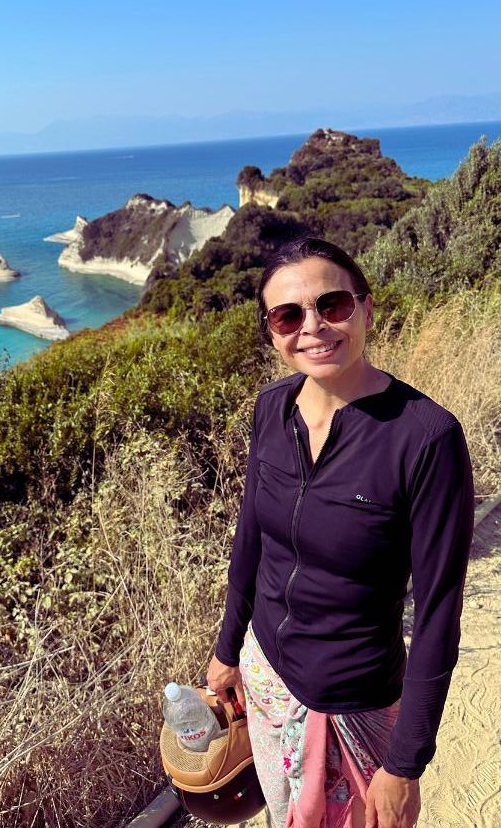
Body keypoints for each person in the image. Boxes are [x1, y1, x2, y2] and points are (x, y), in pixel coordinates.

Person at [206, 236, 475, 828]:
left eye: (333, 306)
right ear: (272, 331)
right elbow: (251, 537)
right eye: (288, 315)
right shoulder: (271, 408)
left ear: (366, 308)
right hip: (266, 675)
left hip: (352, 700)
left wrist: (405, 765)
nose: (314, 328)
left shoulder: (425, 439)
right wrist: (227, 650)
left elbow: (438, 613)